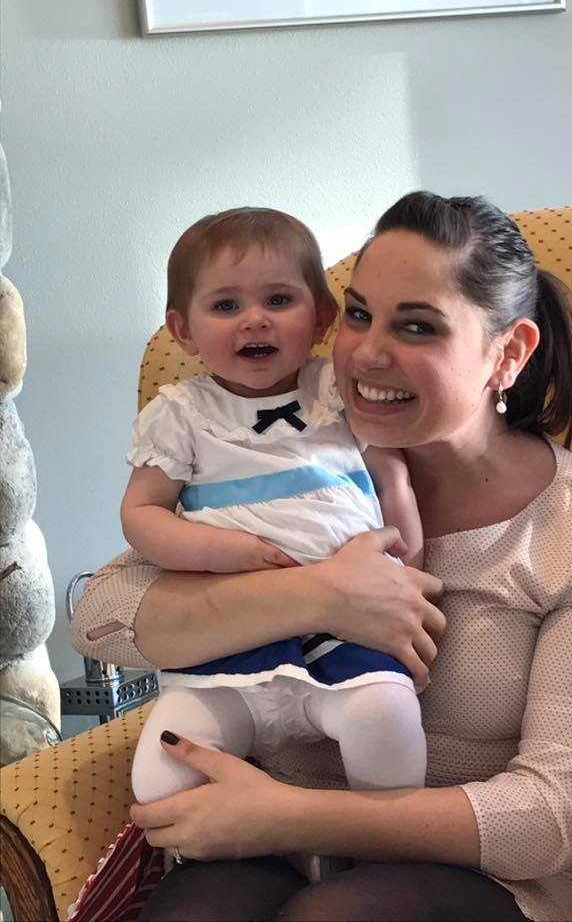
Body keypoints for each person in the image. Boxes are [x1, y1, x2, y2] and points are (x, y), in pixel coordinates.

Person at [72, 191, 572, 922]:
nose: (366, 353)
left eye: (417, 326)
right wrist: (322, 595)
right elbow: (101, 619)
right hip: (267, 841)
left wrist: (289, 816)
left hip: (502, 878)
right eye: (357, 314)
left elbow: (555, 814)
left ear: (508, 353)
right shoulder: (290, 456)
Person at [123, 207, 428, 821]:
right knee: (159, 777)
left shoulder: (336, 390)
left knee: (386, 720)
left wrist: (408, 572)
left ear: (321, 317)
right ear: (183, 330)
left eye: (279, 299)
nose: (254, 318)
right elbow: (141, 512)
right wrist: (217, 551)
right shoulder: (180, 414)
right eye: (226, 305)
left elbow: (392, 478)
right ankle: (232, 857)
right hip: (233, 637)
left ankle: (372, 851)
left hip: (346, 637)